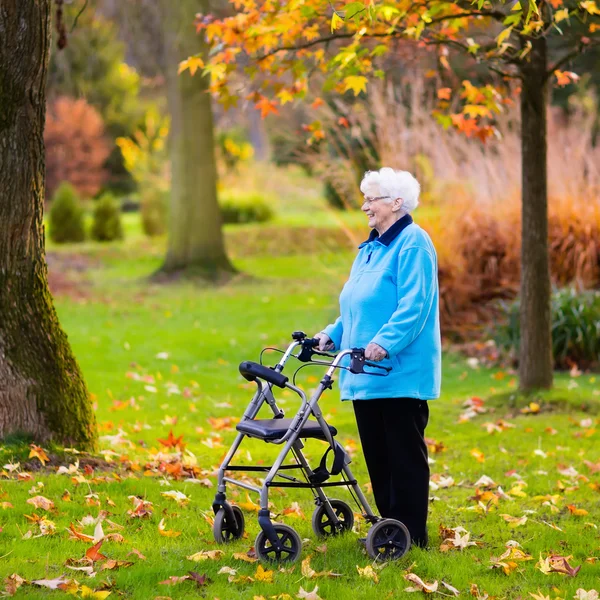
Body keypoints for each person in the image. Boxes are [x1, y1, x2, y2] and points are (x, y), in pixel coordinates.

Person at [314, 167, 441, 549]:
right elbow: (355, 308)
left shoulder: (414, 244)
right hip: (364, 372)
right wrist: (330, 335)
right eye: (365, 198)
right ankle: (390, 531)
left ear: (396, 203)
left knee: (403, 457)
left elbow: (414, 305)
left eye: (372, 199)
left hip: (398, 371)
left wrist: (384, 342)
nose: (365, 206)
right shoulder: (370, 249)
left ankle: (412, 536)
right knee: (379, 458)